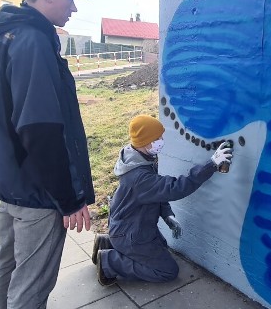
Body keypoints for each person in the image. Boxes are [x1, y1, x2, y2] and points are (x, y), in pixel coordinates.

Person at [0, 0, 95, 309]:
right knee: (30, 287)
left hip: (11, 183)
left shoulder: (3, 37)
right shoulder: (32, 42)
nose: (74, 7)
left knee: (6, 265)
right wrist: (69, 198)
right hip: (36, 190)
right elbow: (39, 127)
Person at [92, 115, 233, 286]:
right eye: (157, 138)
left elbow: (156, 192)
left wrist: (167, 215)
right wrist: (211, 165)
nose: (161, 140)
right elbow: (174, 188)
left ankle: (106, 242)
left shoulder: (137, 158)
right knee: (167, 271)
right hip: (130, 233)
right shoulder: (139, 176)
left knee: (162, 248)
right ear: (146, 141)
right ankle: (110, 262)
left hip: (129, 227)